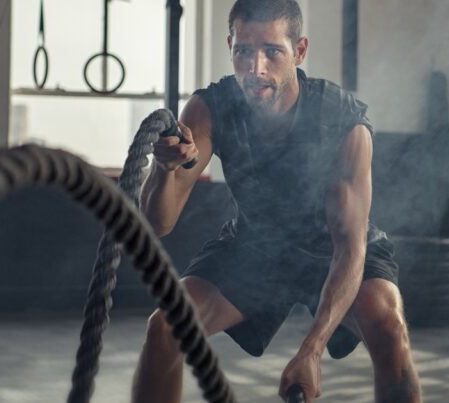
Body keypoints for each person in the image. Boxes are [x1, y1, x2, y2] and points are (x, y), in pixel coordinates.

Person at [133, 1, 421, 402]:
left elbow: (349, 246)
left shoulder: (342, 121)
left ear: (299, 51)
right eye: (244, 51)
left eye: (272, 51)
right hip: (257, 245)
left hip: (332, 249)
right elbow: (158, 224)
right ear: (230, 46)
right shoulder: (209, 109)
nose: (256, 69)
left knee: (388, 324)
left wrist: (311, 351)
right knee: (165, 327)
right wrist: (164, 169)